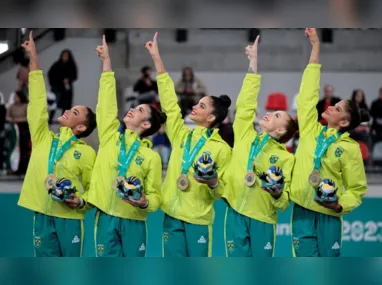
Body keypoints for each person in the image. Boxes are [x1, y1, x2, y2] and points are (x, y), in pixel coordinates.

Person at [145, 32, 232, 257]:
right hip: (171, 217)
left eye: (201, 106)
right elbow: (170, 104)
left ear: (212, 118)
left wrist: (213, 182)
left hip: (198, 220)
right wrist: (157, 60)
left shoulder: (222, 149)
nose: (194, 107)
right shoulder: (182, 136)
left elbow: (223, 191)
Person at [17, 31, 97, 257]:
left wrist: (81, 201)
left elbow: (94, 188)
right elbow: (38, 103)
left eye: (75, 112)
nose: (67, 111)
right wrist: (34, 57)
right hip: (42, 214)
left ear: (81, 127)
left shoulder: (88, 153)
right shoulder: (44, 137)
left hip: (70, 218)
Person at [290, 28, 369, 257]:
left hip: (329, 216)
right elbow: (307, 95)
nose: (330, 106)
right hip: (302, 212)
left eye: (337, 108)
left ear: (344, 122)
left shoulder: (349, 149)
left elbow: (356, 189)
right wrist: (315, 49)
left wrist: (339, 205)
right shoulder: (310, 130)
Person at [88, 35, 166, 257]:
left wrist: (144, 203)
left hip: (133, 220)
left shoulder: (151, 157)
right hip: (105, 216)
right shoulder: (110, 137)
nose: (133, 109)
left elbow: (155, 196)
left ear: (147, 124)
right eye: (135, 106)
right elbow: (106, 104)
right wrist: (106, 63)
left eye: (140, 110)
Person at [223, 36, 297, 257]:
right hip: (235, 213)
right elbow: (245, 105)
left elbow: (283, 202)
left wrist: (276, 193)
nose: (268, 113)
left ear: (282, 131)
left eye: (276, 115)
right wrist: (253, 66)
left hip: (263, 219)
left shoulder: (286, 159)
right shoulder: (246, 136)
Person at [48, 49, 78, 123]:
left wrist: (69, 79)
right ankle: (50, 119)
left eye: (66, 56)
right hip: (57, 88)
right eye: (63, 56)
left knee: (66, 105)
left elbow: (75, 76)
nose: (65, 57)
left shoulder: (71, 65)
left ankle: (64, 120)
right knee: (54, 104)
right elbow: (50, 74)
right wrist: (54, 84)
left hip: (67, 89)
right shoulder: (56, 65)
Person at [6, 90, 30, 175]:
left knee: (23, 149)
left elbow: (28, 117)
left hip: (24, 128)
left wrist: (17, 120)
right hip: (14, 128)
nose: (15, 98)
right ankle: (13, 168)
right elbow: (8, 117)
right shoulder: (11, 106)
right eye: (14, 97)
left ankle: (24, 168)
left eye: (16, 96)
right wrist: (13, 121)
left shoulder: (26, 106)